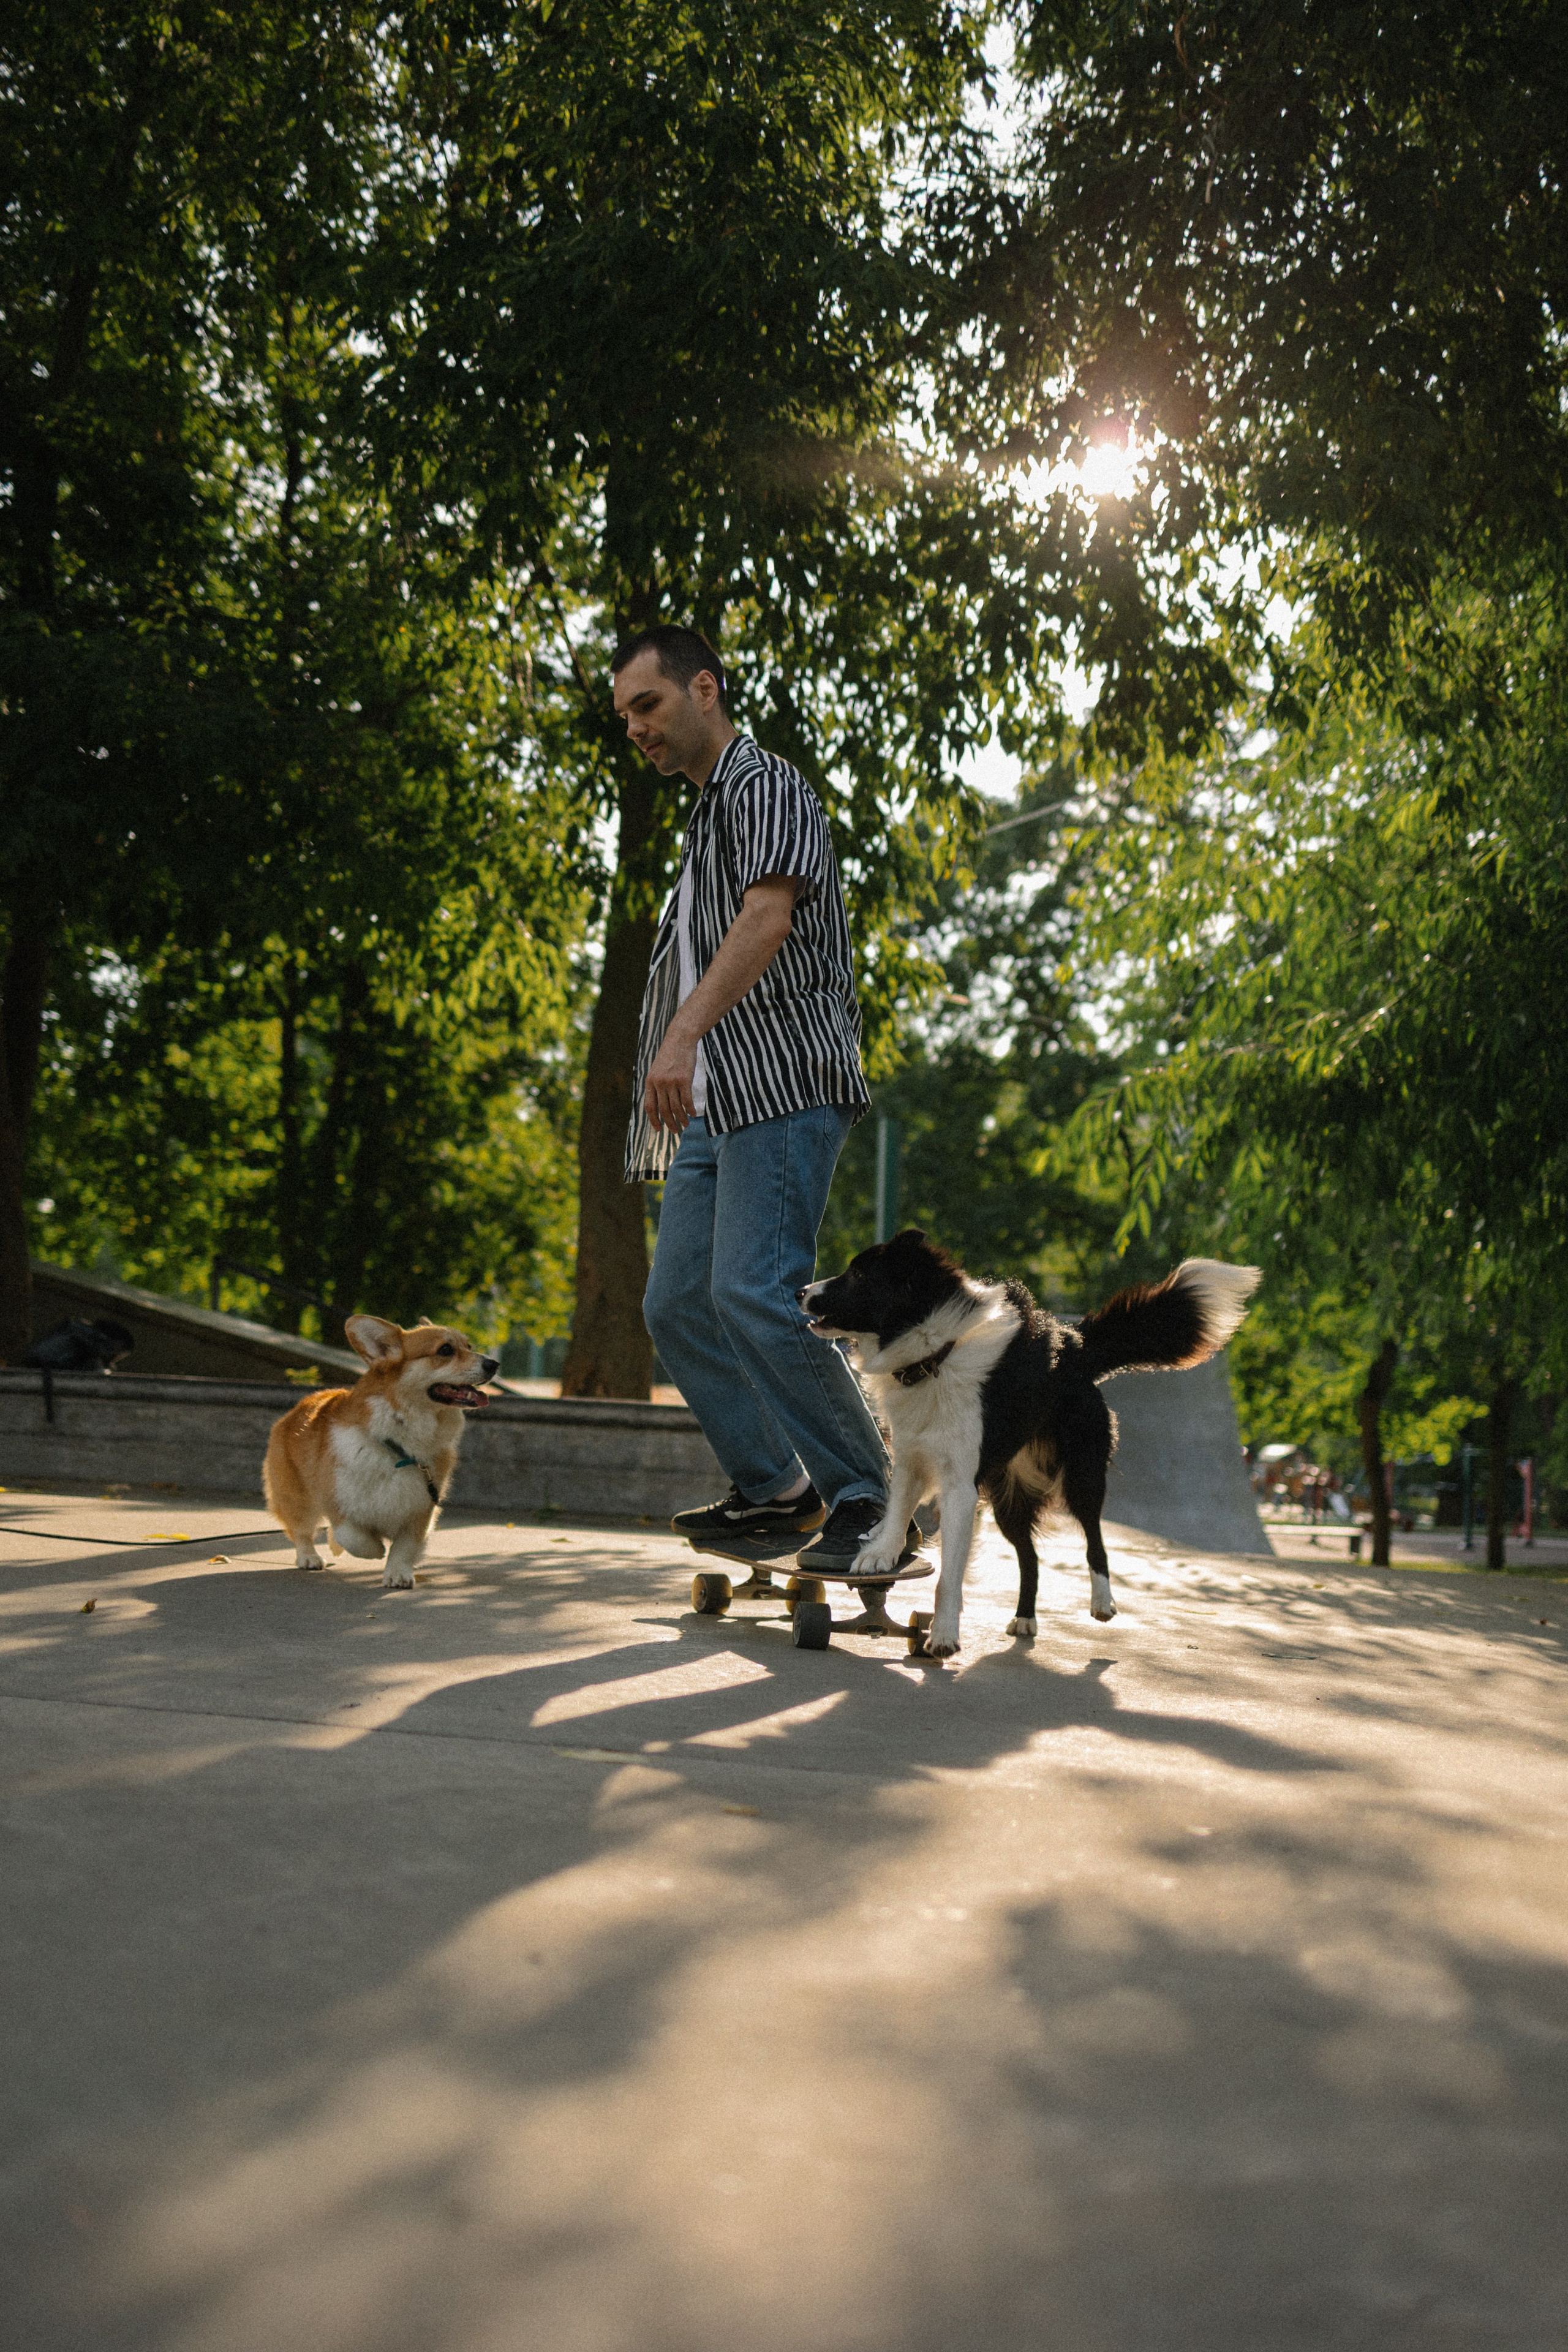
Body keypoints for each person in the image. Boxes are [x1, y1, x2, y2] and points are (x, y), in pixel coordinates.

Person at [613, 622, 899, 1583]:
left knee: (754, 1288)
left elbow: (769, 917)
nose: (636, 729)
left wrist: (682, 1035)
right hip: (714, 1101)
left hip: (779, 1078)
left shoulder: (764, 784)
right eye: (624, 717)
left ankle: (872, 1496)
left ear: (704, 689)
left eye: (647, 706)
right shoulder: (703, 821)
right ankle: (777, 1489)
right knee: (679, 1302)